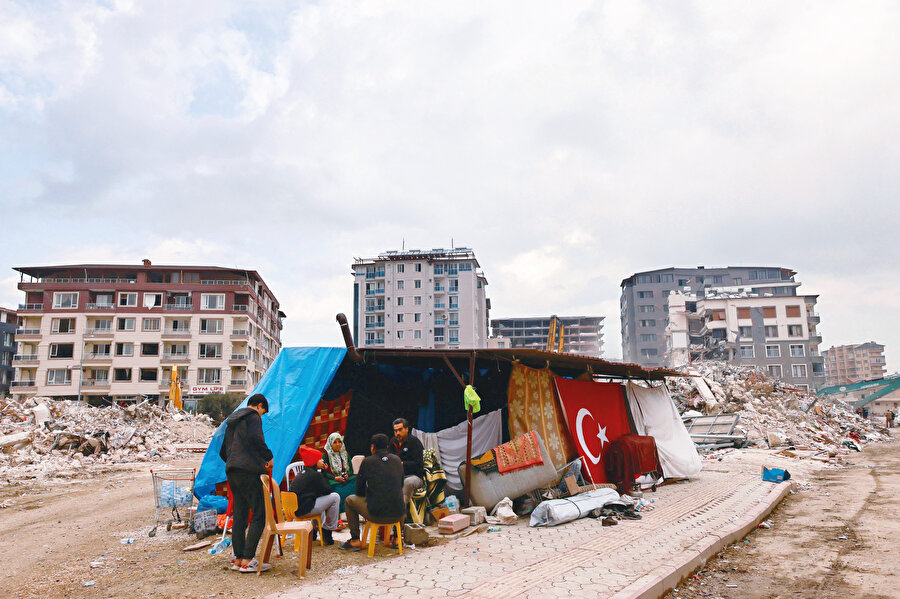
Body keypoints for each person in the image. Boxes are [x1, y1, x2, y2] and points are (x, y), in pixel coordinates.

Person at [219, 394, 273, 573]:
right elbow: (256, 439)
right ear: (259, 406)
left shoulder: (231, 422)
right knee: (260, 512)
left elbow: (222, 451)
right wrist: (268, 456)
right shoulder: (253, 417)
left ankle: (238, 559)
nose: (262, 416)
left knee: (240, 514)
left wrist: (233, 462)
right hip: (249, 472)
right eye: (263, 412)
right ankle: (249, 559)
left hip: (232, 471)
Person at [338, 433, 404, 552]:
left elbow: (359, 490)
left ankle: (355, 539)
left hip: (377, 514)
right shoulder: (397, 460)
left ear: (372, 447)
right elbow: (401, 485)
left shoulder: (368, 461)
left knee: (349, 500)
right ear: (387, 447)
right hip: (398, 514)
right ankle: (397, 538)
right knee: (400, 498)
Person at [288, 459, 339, 545]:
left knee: (320, 498)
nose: (323, 460)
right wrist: (324, 473)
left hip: (293, 510)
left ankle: (313, 532)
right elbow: (327, 490)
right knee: (335, 497)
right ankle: (327, 531)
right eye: (319, 459)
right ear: (314, 461)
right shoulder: (315, 475)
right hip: (304, 510)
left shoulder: (302, 473)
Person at [388, 417, 425, 505]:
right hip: (397, 476)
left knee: (407, 482)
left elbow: (419, 464)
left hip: (414, 476)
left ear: (407, 429)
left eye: (400, 430)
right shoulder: (393, 442)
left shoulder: (415, 442)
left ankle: (400, 511)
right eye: (395, 431)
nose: (397, 433)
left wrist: (402, 464)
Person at [321, 432, 356, 513]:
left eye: (339, 442)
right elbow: (323, 473)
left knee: (356, 480)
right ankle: (337, 514)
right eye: (335, 442)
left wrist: (347, 475)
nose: (338, 444)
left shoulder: (345, 453)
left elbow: (351, 469)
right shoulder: (325, 455)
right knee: (336, 489)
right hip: (332, 480)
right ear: (330, 443)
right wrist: (335, 478)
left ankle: (352, 509)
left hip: (344, 479)